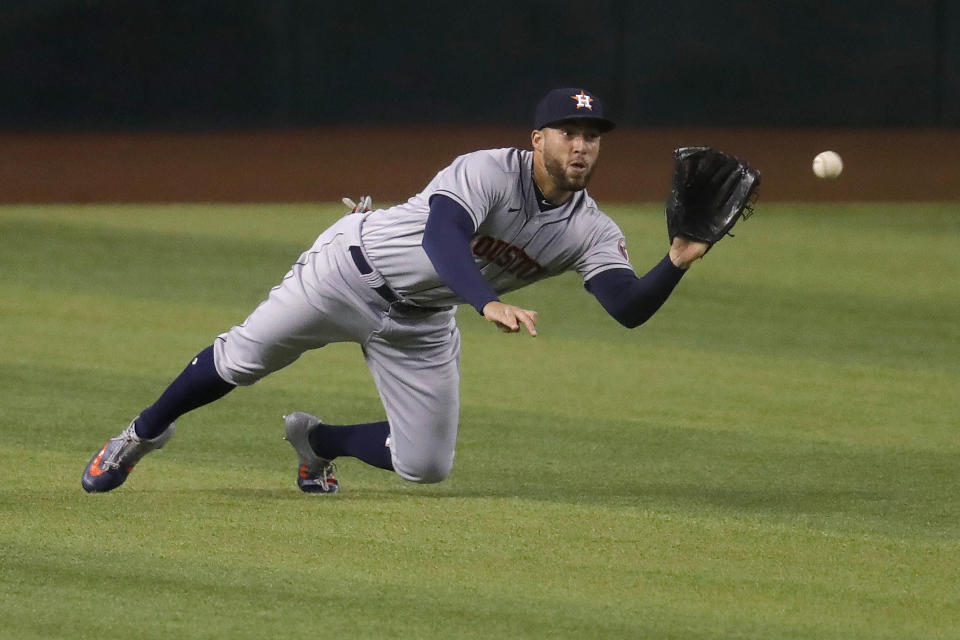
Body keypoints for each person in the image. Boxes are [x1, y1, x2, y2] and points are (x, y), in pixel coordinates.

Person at [82, 87, 710, 494]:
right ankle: (139, 435)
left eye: (591, 135)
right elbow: (443, 239)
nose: (580, 144)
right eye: (567, 131)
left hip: (422, 318)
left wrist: (677, 260)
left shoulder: (591, 229)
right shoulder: (486, 169)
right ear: (537, 139)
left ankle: (318, 442)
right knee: (240, 358)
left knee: (426, 465)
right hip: (348, 272)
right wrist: (486, 302)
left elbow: (626, 307)